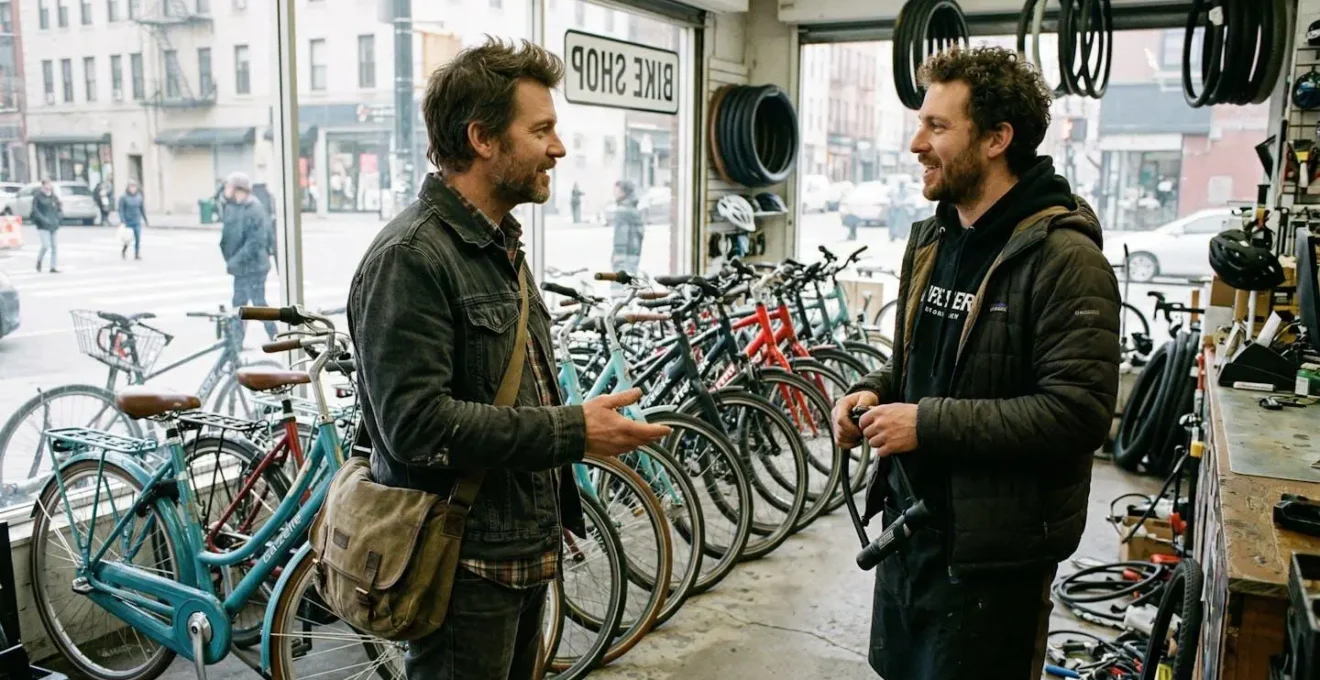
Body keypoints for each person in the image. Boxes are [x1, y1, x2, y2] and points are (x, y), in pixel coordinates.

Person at [346, 38, 671, 680]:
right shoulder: (410, 258)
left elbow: (513, 393)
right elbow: (416, 428)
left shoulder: (496, 245)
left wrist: (556, 509)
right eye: (542, 129)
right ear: (483, 139)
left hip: (519, 554)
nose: (559, 147)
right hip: (462, 570)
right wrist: (575, 431)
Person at [830, 46, 1121, 680]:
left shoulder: (1064, 259)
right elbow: (919, 363)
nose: (916, 144)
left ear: (996, 138)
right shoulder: (936, 237)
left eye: (936, 126)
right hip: (912, 535)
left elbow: (1078, 414)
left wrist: (925, 424)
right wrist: (873, 392)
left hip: (995, 559)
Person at [219, 171, 276, 343]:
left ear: (238, 189)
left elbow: (256, 242)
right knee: (239, 304)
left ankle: (274, 334)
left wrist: (234, 261)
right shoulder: (233, 207)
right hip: (240, 267)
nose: (225, 190)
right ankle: (236, 342)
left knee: (258, 304)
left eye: (228, 186)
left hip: (255, 266)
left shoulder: (254, 209)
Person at [609, 179, 644, 276]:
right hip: (634, 254)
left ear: (623, 192)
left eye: (616, 190)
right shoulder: (634, 209)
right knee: (631, 284)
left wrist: (618, 256)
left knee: (620, 287)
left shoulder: (622, 212)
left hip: (624, 257)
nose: (614, 193)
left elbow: (620, 237)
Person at [32, 179, 62, 273]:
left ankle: (53, 267)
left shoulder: (54, 197)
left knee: (54, 247)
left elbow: (59, 209)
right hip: (42, 225)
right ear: (43, 186)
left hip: (53, 224)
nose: (48, 187)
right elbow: (35, 210)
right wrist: (43, 219)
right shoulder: (38, 196)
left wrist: (59, 218)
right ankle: (39, 261)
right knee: (45, 245)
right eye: (46, 185)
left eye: (50, 185)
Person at [117, 181, 147, 260]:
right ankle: (124, 250)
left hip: (136, 220)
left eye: (134, 187)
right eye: (131, 187)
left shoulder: (139, 197)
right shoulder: (124, 197)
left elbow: (142, 208)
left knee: (137, 238)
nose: (133, 189)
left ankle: (136, 254)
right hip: (128, 221)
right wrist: (122, 220)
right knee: (128, 239)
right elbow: (121, 209)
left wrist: (145, 219)